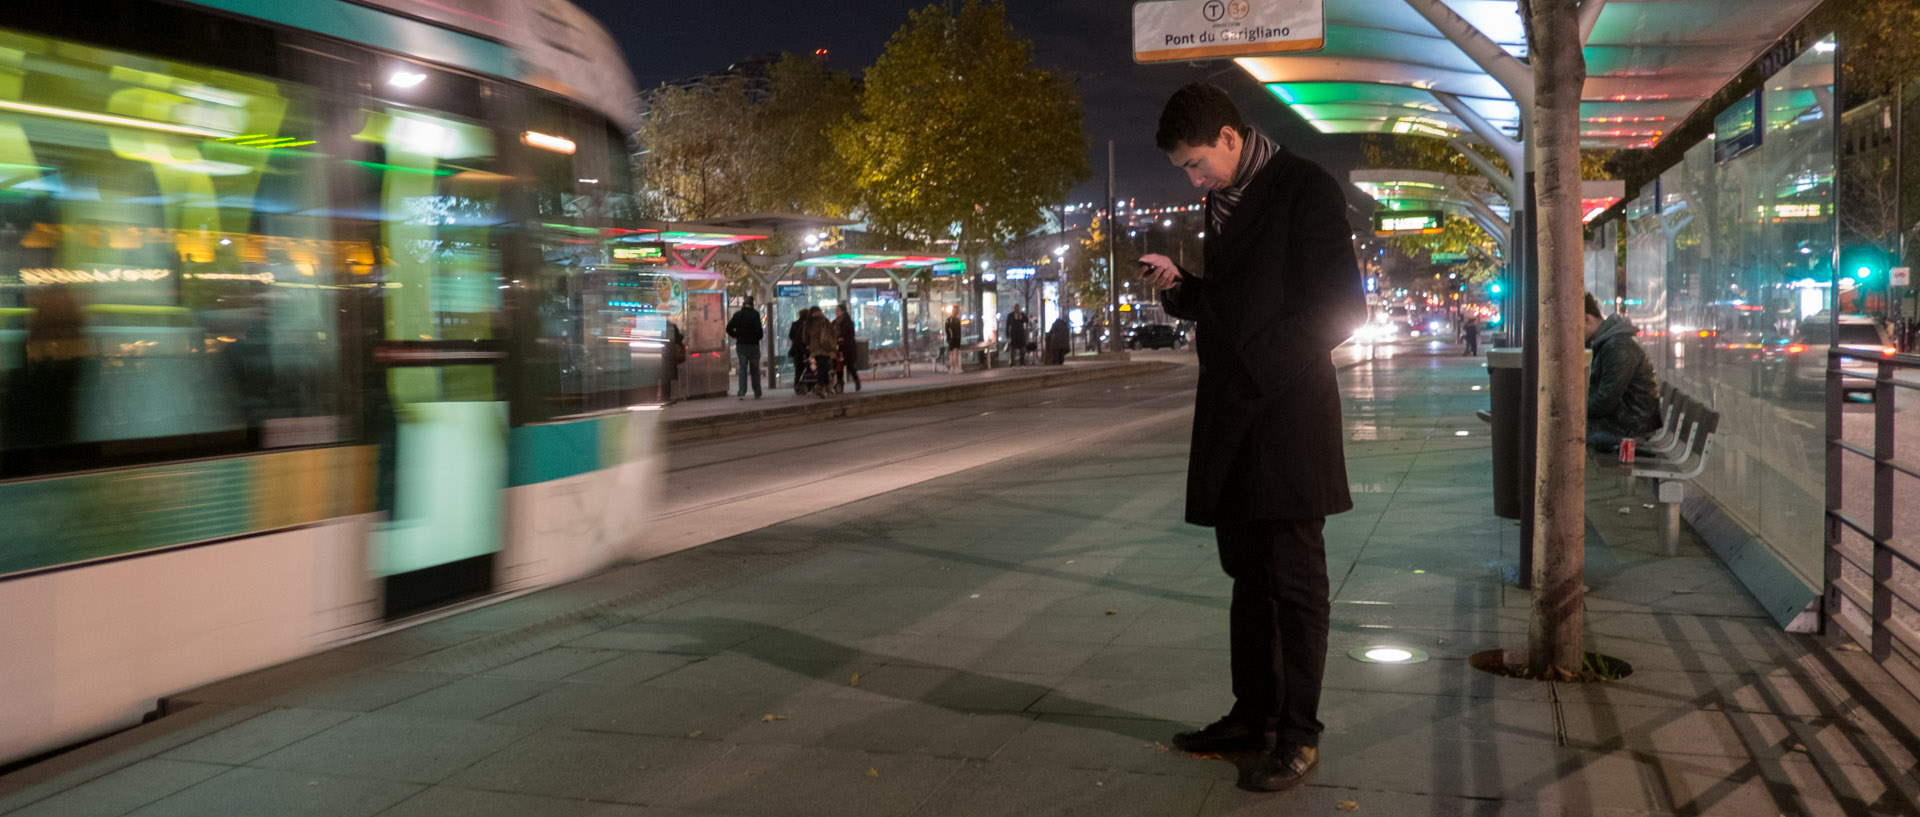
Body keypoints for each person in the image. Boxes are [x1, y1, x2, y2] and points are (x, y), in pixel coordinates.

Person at [1137, 83, 1365, 793]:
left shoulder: (1304, 187)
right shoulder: (1225, 198)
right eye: (1185, 169)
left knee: (1296, 582)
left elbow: (1341, 308)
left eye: (1198, 163)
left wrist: (1256, 366)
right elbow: (1237, 303)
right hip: (1236, 418)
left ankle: (1298, 733)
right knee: (1248, 575)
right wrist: (1182, 289)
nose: (1193, 179)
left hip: (1287, 417)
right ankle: (1253, 714)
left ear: (1232, 138)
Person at [1584, 292, 1661, 450]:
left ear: (1587, 319)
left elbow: (1605, 401)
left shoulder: (1617, 346)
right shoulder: (1610, 342)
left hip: (1630, 428)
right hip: (1627, 422)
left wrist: (1575, 410)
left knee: (1567, 433)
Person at [726, 296, 764, 399]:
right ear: (752, 304)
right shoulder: (755, 315)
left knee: (742, 368)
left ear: (744, 304)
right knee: (754, 369)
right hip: (753, 346)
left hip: (741, 345)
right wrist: (756, 338)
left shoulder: (738, 315)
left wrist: (736, 335)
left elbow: (728, 328)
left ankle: (742, 392)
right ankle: (757, 391)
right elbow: (760, 332)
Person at [805, 305, 839, 395]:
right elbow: (832, 332)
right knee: (823, 367)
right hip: (825, 347)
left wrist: (810, 343)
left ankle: (824, 386)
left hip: (815, 348)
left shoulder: (808, 323)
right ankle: (822, 386)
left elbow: (805, 338)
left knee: (821, 366)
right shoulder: (825, 321)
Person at [834, 304, 862, 392]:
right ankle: (840, 384)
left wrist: (843, 338)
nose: (836, 312)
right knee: (839, 367)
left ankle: (856, 381)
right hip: (839, 348)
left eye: (838, 310)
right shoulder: (835, 321)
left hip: (847, 347)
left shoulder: (847, 321)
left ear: (843, 311)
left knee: (850, 365)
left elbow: (850, 334)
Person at [787, 309, 809, 385]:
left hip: (797, 349)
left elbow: (790, 336)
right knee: (807, 367)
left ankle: (797, 384)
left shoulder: (795, 324)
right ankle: (806, 384)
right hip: (806, 349)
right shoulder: (808, 325)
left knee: (798, 368)